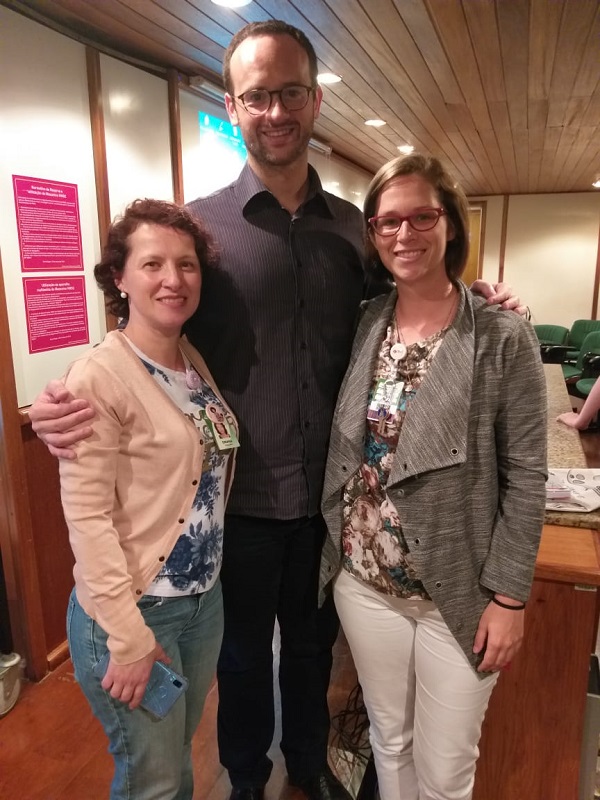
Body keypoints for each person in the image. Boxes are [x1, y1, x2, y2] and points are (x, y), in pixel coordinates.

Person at [29, 21, 524, 800]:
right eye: (257, 96)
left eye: (291, 92)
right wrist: (71, 389)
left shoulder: (356, 231)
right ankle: (247, 776)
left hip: (330, 500)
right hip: (237, 500)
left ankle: (308, 760)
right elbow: (153, 321)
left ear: (315, 100)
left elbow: (415, 295)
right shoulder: (205, 232)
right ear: (233, 106)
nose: (276, 111)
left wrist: (479, 296)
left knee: (311, 649)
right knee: (239, 656)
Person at [319, 154, 547, 800]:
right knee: (390, 742)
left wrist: (510, 598)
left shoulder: (501, 334)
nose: (404, 234)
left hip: (459, 592)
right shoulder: (367, 321)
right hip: (365, 583)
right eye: (387, 221)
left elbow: (527, 474)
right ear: (372, 233)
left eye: (422, 216)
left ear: (451, 223)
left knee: (446, 773)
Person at [60, 199, 238, 800]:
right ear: (120, 276)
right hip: (136, 612)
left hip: (201, 604)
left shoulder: (189, 360)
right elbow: (87, 519)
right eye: (152, 264)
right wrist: (130, 638)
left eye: (186, 265)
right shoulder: (98, 376)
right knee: (152, 780)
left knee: (175, 757)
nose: (173, 279)